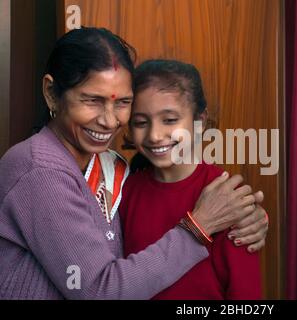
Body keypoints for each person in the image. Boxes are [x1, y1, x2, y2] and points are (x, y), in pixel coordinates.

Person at [0, 27, 268, 300]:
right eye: (92, 100)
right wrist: (198, 227)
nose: (108, 120)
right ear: (51, 93)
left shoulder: (114, 168)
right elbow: (98, 290)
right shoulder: (39, 171)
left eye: (122, 102)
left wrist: (252, 217)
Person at [119, 59, 262, 299]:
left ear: (200, 121)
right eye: (141, 122)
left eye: (170, 120)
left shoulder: (228, 198)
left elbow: (245, 296)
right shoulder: (125, 191)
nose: (155, 135)